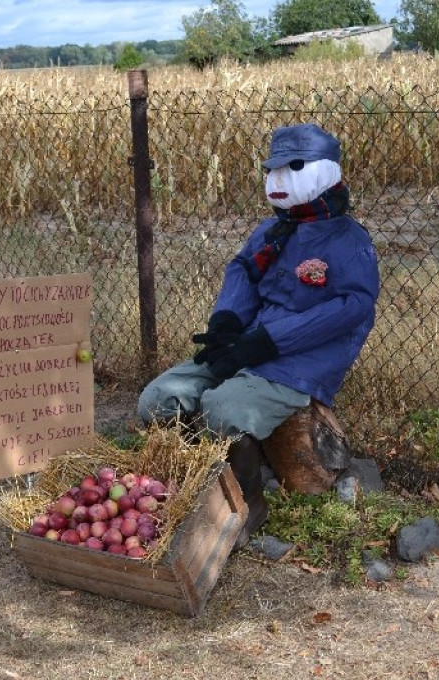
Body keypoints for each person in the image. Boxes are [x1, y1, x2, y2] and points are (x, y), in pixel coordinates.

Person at [138, 123, 380, 546]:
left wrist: (268, 341)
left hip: (299, 361)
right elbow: (243, 273)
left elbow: (352, 308)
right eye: (273, 170)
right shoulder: (273, 231)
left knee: (224, 409)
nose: (278, 181)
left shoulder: (349, 241)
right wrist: (226, 324)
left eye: (294, 168)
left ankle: (249, 501)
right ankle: (194, 481)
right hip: (250, 341)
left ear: (326, 171)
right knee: (159, 398)